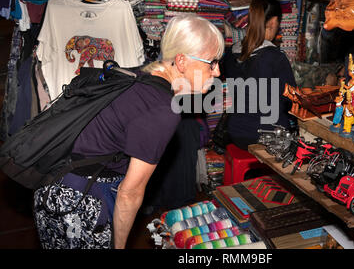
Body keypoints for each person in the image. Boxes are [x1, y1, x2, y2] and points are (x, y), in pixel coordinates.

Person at [32, 14, 225, 249]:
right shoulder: (162, 110)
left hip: (51, 186)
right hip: (76, 199)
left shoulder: (139, 75)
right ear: (182, 61)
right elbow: (129, 193)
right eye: (212, 62)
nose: (217, 72)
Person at [223, 0, 297, 150]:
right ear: (273, 22)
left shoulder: (231, 53)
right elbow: (292, 100)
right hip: (268, 135)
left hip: (236, 132)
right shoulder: (275, 58)